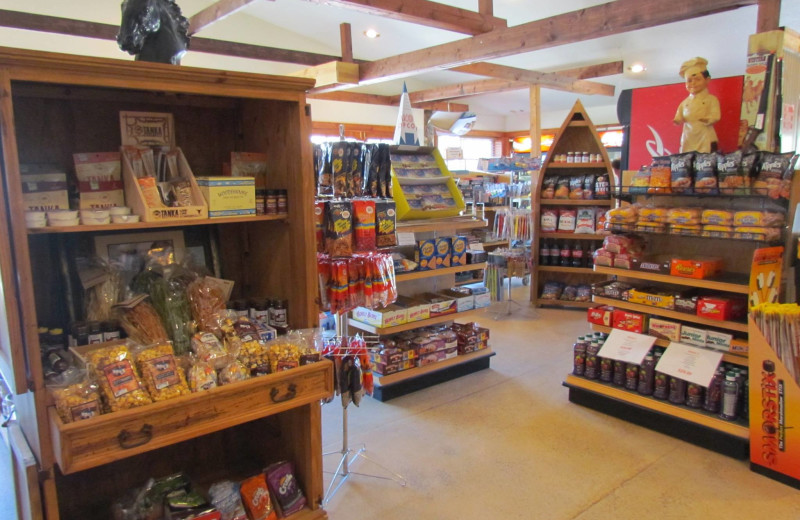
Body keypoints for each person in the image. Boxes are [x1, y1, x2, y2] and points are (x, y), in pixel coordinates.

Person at [673, 57, 720, 153]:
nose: (693, 83)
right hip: (688, 136)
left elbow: (716, 115)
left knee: (706, 162)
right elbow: (679, 116)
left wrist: (708, 119)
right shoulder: (684, 103)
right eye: (689, 81)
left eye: (697, 79)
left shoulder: (711, 99)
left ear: (707, 80)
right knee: (685, 162)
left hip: (706, 136)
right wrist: (677, 120)